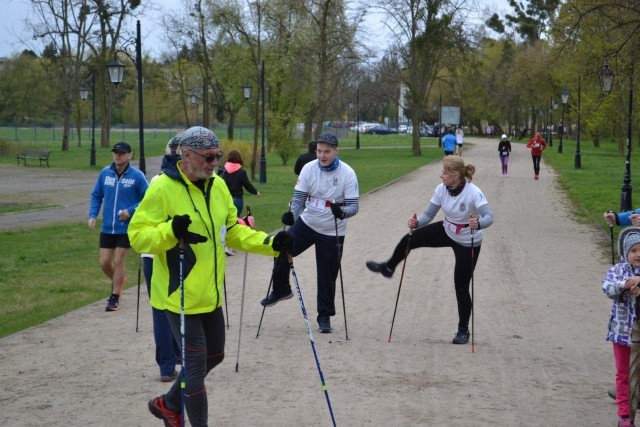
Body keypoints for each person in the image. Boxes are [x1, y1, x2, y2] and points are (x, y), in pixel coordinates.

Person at [128, 126, 292, 426]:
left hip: (210, 294)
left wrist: (270, 243)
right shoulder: (162, 188)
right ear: (186, 155)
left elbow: (232, 230)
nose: (214, 163)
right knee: (193, 367)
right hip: (179, 295)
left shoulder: (217, 186)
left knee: (215, 355)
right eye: (208, 157)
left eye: (217, 156)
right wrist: (170, 231)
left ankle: (168, 404)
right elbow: (137, 236)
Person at [365, 155, 494, 345]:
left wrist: (479, 223)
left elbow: (489, 217)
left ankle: (463, 330)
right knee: (410, 239)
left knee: (461, 285)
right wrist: (416, 223)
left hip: (468, 240)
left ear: (455, 175)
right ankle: (389, 267)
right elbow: (428, 215)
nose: (441, 176)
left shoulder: (473, 192)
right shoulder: (442, 190)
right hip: (447, 229)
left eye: (444, 173)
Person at [260, 133, 359, 334]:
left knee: (327, 274)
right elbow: (298, 199)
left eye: (327, 152)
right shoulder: (309, 168)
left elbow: (354, 206)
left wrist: (342, 212)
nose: (322, 156)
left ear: (336, 150)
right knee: (281, 246)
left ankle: (324, 316)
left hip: (332, 230)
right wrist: (292, 215)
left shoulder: (347, 173)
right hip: (307, 222)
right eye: (319, 151)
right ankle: (281, 289)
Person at [88, 141, 148, 312]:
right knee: (105, 262)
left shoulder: (137, 176)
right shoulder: (104, 174)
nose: (117, 155)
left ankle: (114, 297)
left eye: (121, 153)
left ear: (129, 155)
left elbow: (147, 198)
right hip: (108, 226)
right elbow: (96, 195)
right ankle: (120, 281)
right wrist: (92, 215)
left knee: (119, 260)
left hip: (126, 227)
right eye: (115, 152)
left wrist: (130, 211)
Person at [143, 138, 181, 383]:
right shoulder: (160, 183)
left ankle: (172, 358)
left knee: (169, 308)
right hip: (159, 252)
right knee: (164, 309)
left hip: (166, 250)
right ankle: (167, 364)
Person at [602, 227, 640, 427]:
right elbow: (607, 287)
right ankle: (624, 415)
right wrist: (625, 285)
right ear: (626, 253)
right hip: (622, 332)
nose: (638, 254)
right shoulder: (618, 270)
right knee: (623, 373)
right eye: (633, 250)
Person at [218, 150, 261, 255]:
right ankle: (228, 246)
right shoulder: (241, 171)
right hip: (237, 199)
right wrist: (256, 192)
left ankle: (223, 244)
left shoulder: (222, 169)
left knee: (224, 222)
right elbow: (247, 185)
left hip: (224, 199)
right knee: (233, 223)